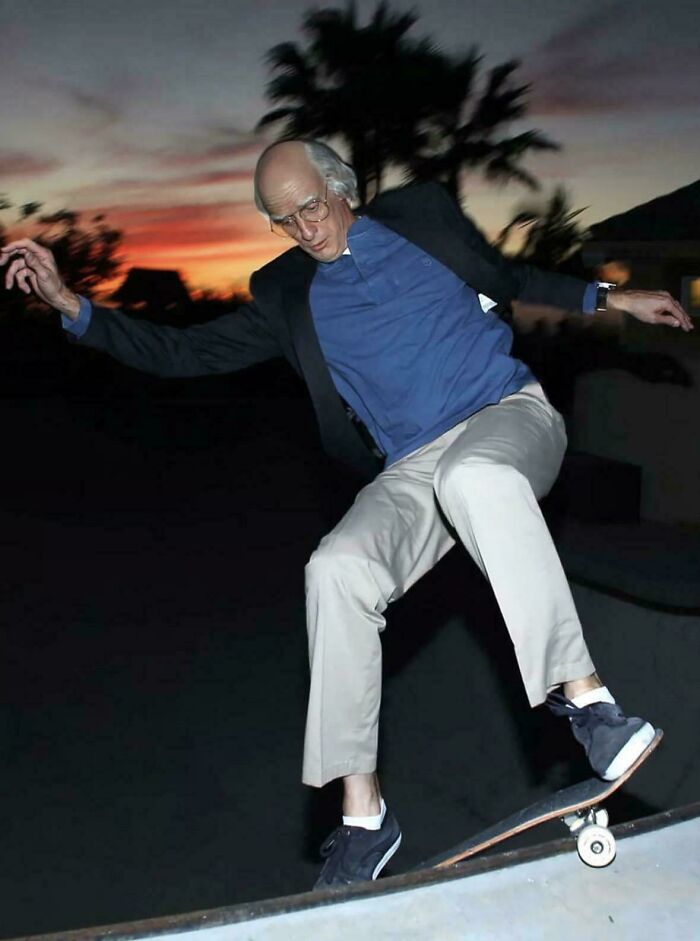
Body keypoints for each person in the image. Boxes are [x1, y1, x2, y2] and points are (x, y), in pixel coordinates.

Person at [2, 139, 693, 890]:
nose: (304, 228)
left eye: (310, 206)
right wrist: (72, 306)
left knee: (476, 475)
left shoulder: (421, 218)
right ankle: (365, 818)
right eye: (283, 219)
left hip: (507, 417)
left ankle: (587, 701)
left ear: (341, 189)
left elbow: (508, 275)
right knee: (335, 570)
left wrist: (610, 297)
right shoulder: (286, 296)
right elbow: (182, 352)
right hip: (413, 471)